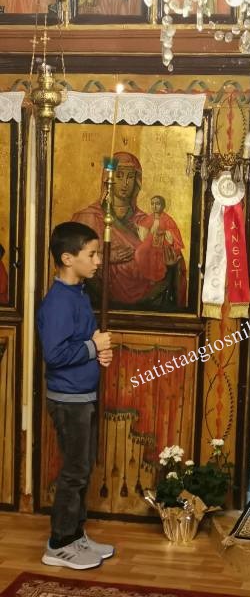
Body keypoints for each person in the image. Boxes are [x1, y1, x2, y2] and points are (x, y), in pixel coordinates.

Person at [36, 222, 114, 569]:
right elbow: (55, 354)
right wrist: (92, 347)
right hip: (69, 399)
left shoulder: (79, 293)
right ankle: (58, 544)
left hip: (83, 394)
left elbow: (82, 341)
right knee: (73, 472)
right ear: (68, 258)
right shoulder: (58, 302)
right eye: (92, 254)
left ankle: (75, 536)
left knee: (82, 469)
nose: (98, 261)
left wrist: (98, 353)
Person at [72, 152, 186, 309]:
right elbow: (72, 258)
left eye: (130, 177)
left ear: (137, 181)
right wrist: (106, 257)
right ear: (108, 179)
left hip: (148, 308)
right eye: (119, 176)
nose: (125, 183)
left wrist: (171, 265)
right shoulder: (88, 217)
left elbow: (170, 258)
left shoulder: (147, 222)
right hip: (97, 307)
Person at [136, 194, 187, 305]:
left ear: (163, 206)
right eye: (153, 204)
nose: (155, 206)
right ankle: (149, 283)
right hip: (151, 247)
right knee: (140, 253)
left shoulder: (167, 219)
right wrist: (143, 230)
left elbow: (173, 234)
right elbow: (143, 234)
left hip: (165, 248)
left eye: (157, 204)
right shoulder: (149, 218)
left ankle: (161, 288)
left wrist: (164, 233)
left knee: (163, 262)